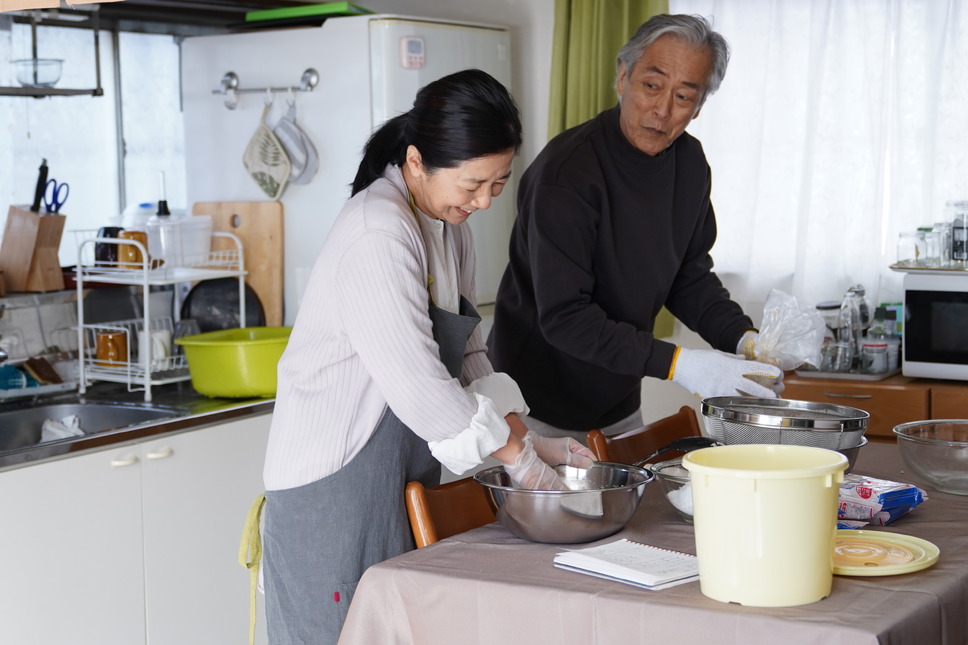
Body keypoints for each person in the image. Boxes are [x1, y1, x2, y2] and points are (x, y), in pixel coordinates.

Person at [260, 69, 595, 645]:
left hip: (400, 466)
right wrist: (517, 458)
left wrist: (527, 439)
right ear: (416, 162)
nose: (486, 201)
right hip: (332, 488)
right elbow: (419, 386)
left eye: (498, 182)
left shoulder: (446, 223)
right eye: (473, 184)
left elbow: (466, 352)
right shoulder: (378, 232)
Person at [487, 14, 783, 443]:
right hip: (534, 404)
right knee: (553, 512)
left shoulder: (690, 165)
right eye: (652, 85)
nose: (662, 109)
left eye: (684, 96)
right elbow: (566, 318)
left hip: (618, 397)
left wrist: (743, 339)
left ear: (699, 107)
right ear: (623, 77)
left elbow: (689, 278)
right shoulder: (567, 174)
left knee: (634, 512)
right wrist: (684, 365)